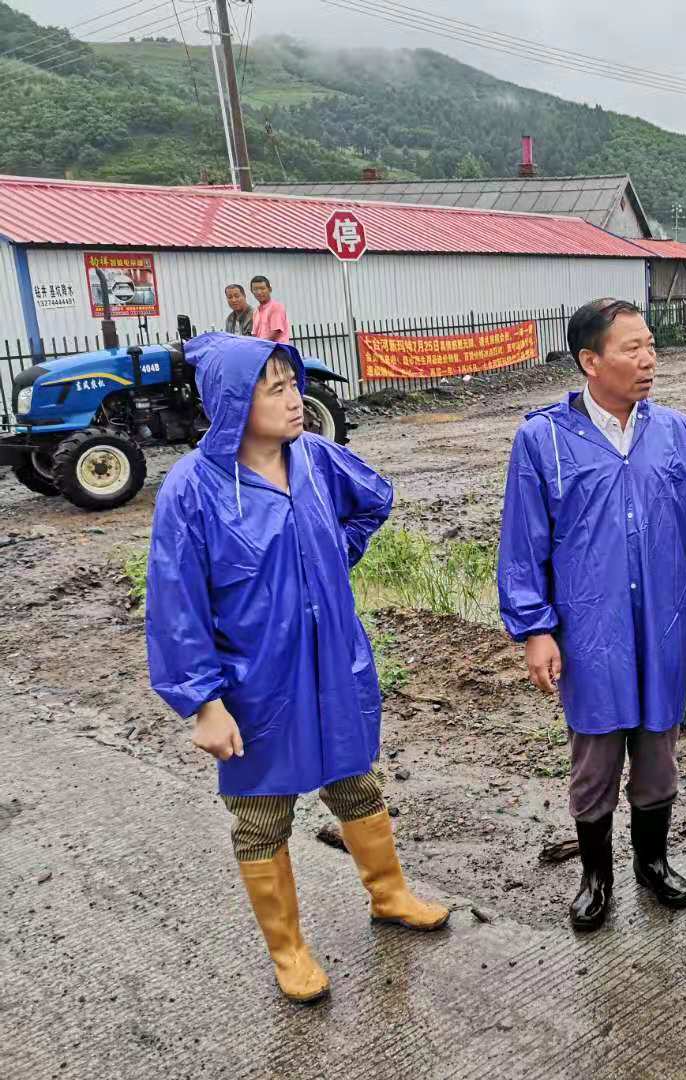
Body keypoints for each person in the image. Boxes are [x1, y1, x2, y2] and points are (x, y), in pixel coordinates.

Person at [146, 333, 448, 1005]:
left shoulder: (314, 459)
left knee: (356, 784)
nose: (295, 400)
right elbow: (177, 603)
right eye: (275, 388)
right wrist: (204, 703)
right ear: (232, 402)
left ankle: (390, 894)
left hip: (333, 665)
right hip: (255, 686)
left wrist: (336, 551)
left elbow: (374, 498)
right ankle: (288, 951)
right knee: (261, 817)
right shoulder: (193, 489)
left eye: (294, 384)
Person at [497, 298, 686, 931]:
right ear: (590, 361)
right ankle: (595, 875)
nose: (649, 360)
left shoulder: (678, 433)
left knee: (659, 752)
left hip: (664, 627)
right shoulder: (541, 440)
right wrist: (535, 629)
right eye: (633, 349)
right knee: (596, 757)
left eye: (651, 346)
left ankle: (651, 863)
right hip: (589, 632)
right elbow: (524, 544)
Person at [250, 275, 291, 344]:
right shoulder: (256, 311)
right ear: (252, 291)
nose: (259, 292)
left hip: (277, 350)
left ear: (270, 289)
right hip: (264, 350)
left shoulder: (276, 307)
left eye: (262, 288)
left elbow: (275, 332)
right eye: (255, 289)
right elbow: (254, 334)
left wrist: (260, 345)